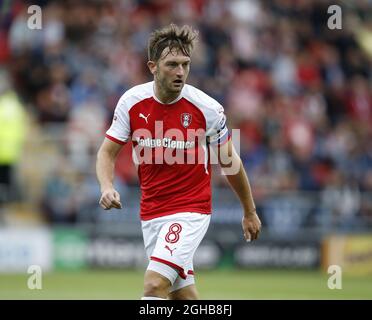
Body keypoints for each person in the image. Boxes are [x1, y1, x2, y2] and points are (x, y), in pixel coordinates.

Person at [96, 24, 261, 300]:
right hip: (151, 213)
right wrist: (106, 186)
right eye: (172, 64)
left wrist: (249, 211)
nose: (180, 72)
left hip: (190, 210)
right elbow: (106, 152)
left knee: (154, 285)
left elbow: (231, 163)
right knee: (183, 297)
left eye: (185, 64)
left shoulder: (207, 109)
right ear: (152, 66)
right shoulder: (131, 102)